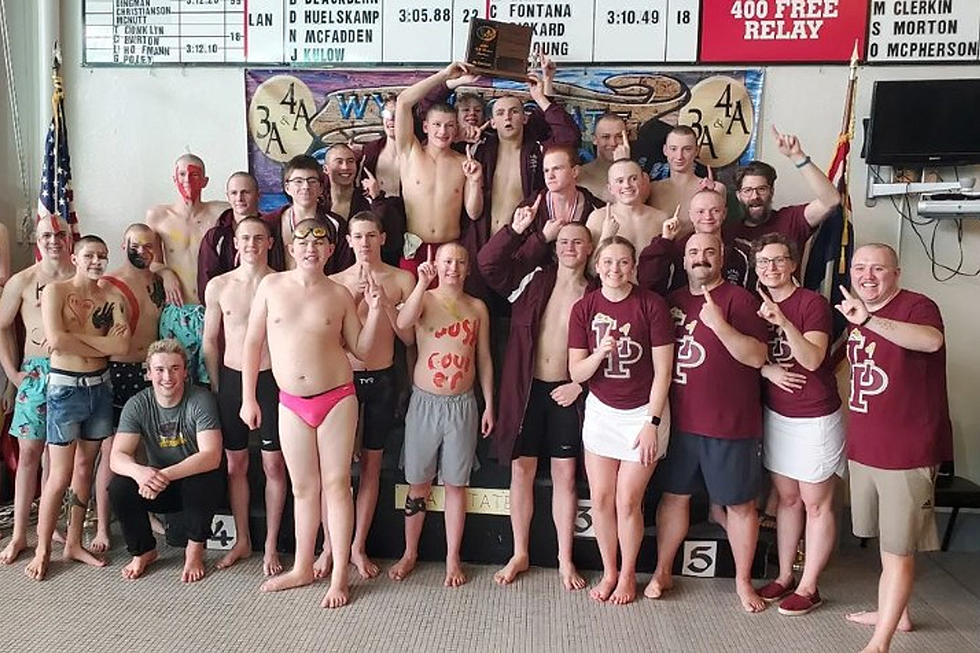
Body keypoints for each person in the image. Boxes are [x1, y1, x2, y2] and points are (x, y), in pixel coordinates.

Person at [240, 218, 385, 608]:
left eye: (318, 244)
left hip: (336, 397)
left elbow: (363, 351)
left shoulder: (339, 294)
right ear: (290, 248)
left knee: (337, 485)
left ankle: (339, 574)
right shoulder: (271, 286)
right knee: (304, 488)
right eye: (303, 242)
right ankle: (303, 566)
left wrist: (374, 310)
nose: (310, 249)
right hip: (290, 401)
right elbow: (252, 344)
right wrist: (248, 398)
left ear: (328, 251)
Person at [836, 244, 951, 653]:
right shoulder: (854, 314)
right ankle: (896, 613)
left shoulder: (918, 306)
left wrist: (868, 319)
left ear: (896, 273)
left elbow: (929, 342)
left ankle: (880, 640)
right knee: (886, 541)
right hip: (867, 446)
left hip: (908, 450)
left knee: (899, 549)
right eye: (860, 268)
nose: (867, 276)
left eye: (878, 269)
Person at [648, 232, 769, 613]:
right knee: (674, 497)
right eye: (693, 253)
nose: (701, 258)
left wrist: (720, 326)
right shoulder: (672, 302)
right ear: (683, 262)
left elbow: (757, 357)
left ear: (721, 260)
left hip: (730, 425)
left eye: (709, 252)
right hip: (681, 422)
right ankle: (663, 570)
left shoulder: (741, 300)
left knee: (741, 506)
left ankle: (743, 582)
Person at [477, 203, 593, 591]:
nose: (569, 247)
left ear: (589, 249)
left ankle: (564, 557)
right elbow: (489, 266)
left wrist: (580, 386)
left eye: (578, 242)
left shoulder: (596, 292)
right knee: (521, 470)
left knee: (565, 475)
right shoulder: (535, 279)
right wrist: (520, 231)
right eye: (562, 242)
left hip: (568, 394)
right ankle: (520, 552)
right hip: (527, 390)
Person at [566, 236, 674, 604]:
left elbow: (663, 373)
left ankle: (629, 574)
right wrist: (599, 354)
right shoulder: (584, 307)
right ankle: (609, 570)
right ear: (597, 267)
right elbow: (577, 372)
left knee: (628, 500)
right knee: (600, 498)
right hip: (601, 411)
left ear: (634, 267)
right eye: (608, 263)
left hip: (643, 413)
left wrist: (652, 423)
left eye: (623, 262)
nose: (615, 270)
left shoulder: (651, 305)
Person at [388, 243, 493, 587]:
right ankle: (409, 553)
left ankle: (452, 558)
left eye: (460, 263)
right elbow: (403, 325)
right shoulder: (425, 299)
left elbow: (484, 360)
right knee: (417, 484)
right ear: (436, 263)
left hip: (462, 405)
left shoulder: (477, 308)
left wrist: (488, 403)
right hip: (424, 404)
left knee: (455, 485)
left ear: (468, 269)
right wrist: (421, 283)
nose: (454, 268)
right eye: (448, 261)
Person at [750, 233, 844, 616]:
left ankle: (810, 585)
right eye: (763, 263)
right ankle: (785, 574)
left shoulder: (811, 303)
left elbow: (812, 359)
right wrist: (766, 368)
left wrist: (784, 322)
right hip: (777, 415)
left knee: (816, 504)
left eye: (777, 261)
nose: (770, 269)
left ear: (791, 265)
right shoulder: (754, 303)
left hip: (815, 415)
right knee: (787, 500)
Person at [26, 235, 131, 580]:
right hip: (65, 389)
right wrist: (100, 344)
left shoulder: (113, 296)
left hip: (100, 388)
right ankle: (43, 548)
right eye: (89, 255)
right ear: (75, 256)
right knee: (59, 475)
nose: (96, 261)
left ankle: (73, 541)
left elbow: (121, 345)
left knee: (86, 468)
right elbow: (56, 341)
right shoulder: (56, 291)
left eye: (102, 255)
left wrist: (82, 343)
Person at [328, 212, 415, 579]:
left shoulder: (401, 279)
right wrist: (357, 301)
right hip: (343, 380)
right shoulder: (333, 283)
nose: (364, 243)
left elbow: (409, 339)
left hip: (382, 380)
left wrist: (385, 306)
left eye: (370, 236)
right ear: (348, 241)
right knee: (336, 471)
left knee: (371, 467)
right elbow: (328, 338)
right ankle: (330, 549)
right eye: (357, 236)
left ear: (381, 238)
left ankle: (357, 547)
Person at [202, 217, 287, 576]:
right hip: (233, 381)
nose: (251, 243)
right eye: (245, 238)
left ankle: (270, 544)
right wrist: (219, 386)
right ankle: (242, 539)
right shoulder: (219, 286)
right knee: (235, 464)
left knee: (273, 465)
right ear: (235, 243)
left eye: (258, 238)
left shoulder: (283, 284)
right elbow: (210, 340)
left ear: (269, 243)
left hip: (274, 380)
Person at [108, 339, 224, 583]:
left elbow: (211, 455)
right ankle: (143, 551)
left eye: (174, 368)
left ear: (185, 372)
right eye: (159, 370)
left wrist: (163, 475)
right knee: (119, 486)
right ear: (149, 374)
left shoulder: (200, 400)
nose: (167, 376)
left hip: (192, 483)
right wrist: (140, 474)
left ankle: (194, 551)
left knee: (203, 479)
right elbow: (116, 458)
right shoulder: (137, 404)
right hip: (155, 485)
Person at [0, 217, 74, 564]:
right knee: (30, 454)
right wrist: (12, 373)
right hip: (37, 374)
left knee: (57, 460)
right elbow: (1, 326)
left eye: (60, 234)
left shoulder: (82, 276)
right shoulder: (23, 281)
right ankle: (18, 535)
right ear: (37, 240)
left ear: (70, 237)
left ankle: (52, 525)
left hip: (72, 372)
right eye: (47, 235)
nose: (54, 240)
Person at [89, 223, 167, 554]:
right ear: (125, 244)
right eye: (137, 245)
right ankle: (103, 525)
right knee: (113, 450)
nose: (143, 251)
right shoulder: (110, 284)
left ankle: (143, 510)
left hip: (148, 372)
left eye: (150, 247)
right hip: (119, 370)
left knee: (143, 449)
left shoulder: (159, 281)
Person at [395, 63, 484, 276]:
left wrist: (475, 180)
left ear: (457, 129)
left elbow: (474, 213)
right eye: (436, 125)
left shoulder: (464, 162)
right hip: (414, 249)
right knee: (410, 308)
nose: (442, 131)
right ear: (425, 127)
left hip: (450, 252)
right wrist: (444, 75)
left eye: (449, 126)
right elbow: (403, 102)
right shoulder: (410, 152)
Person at [146, 153, 228, 385]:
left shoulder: (221, 213)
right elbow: (147, 260)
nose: (187, 180)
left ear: (205, 181)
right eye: (182, 174)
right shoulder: (159, 215)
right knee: (174, 379)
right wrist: (165, 271)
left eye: (194, 175)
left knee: (214, 382)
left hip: (210, 309)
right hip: (176, 310)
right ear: (174, 178)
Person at [730, 126, 841, 253]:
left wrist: (797, 156)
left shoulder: (791, 219)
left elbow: (831, 201)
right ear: (738, 196)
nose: (755, 196)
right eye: (748, 190)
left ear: (771, 191)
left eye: (761, 189)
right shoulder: (729, 232)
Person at [638, 188, 751, 294]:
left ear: (724, 214)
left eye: (715, 211)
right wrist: (664, 241)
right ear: (690, 215)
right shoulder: (675, 250)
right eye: (700, 212)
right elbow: (649, 285)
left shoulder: (742, 252)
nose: (708, 217)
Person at [198, 171, 286, 302]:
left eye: (245, 192)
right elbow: (207, 285)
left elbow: (280, 270)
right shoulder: (216, 237)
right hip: (229, 313)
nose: (239, 198)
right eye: (234, 193)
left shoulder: (272, 231)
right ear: (227, 196)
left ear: (258, 195)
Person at [265, 154, 353, 275]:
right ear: (287, 187)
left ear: (321, 188)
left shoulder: (336, 225)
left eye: (312, 181)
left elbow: (344, 272)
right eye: (298, 181)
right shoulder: (270, 223)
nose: (306, 186)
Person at [585, 159, 668, 261]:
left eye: (633, 179)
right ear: (610, 188)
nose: (627, 185)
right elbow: (590, 269)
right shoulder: (598, 218)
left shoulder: (661, 219)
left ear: (643, 181)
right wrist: (606, 236)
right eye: (620, 181)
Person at [514, 146, 604, 235]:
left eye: (557, 168)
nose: (550, 176)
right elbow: (505, 248)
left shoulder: (596, 208)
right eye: (546, 170)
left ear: (575, 171)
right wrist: (543, 238)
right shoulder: (528, 209)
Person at [647, 125, 725, 226]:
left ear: (696, 151)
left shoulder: (716, 188)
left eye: (687, 149)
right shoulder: (652, 189)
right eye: (673, 149)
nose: (679, 156)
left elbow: (717, 231)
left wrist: (711, 196)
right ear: (665, 150)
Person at [578, 113, 629, 204]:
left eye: (619, 136)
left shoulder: (641, 177)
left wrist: (623, 165)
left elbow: (630, 204)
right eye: (606, 137)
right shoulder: (580, 174)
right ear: (595, 139)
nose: (613, 143)